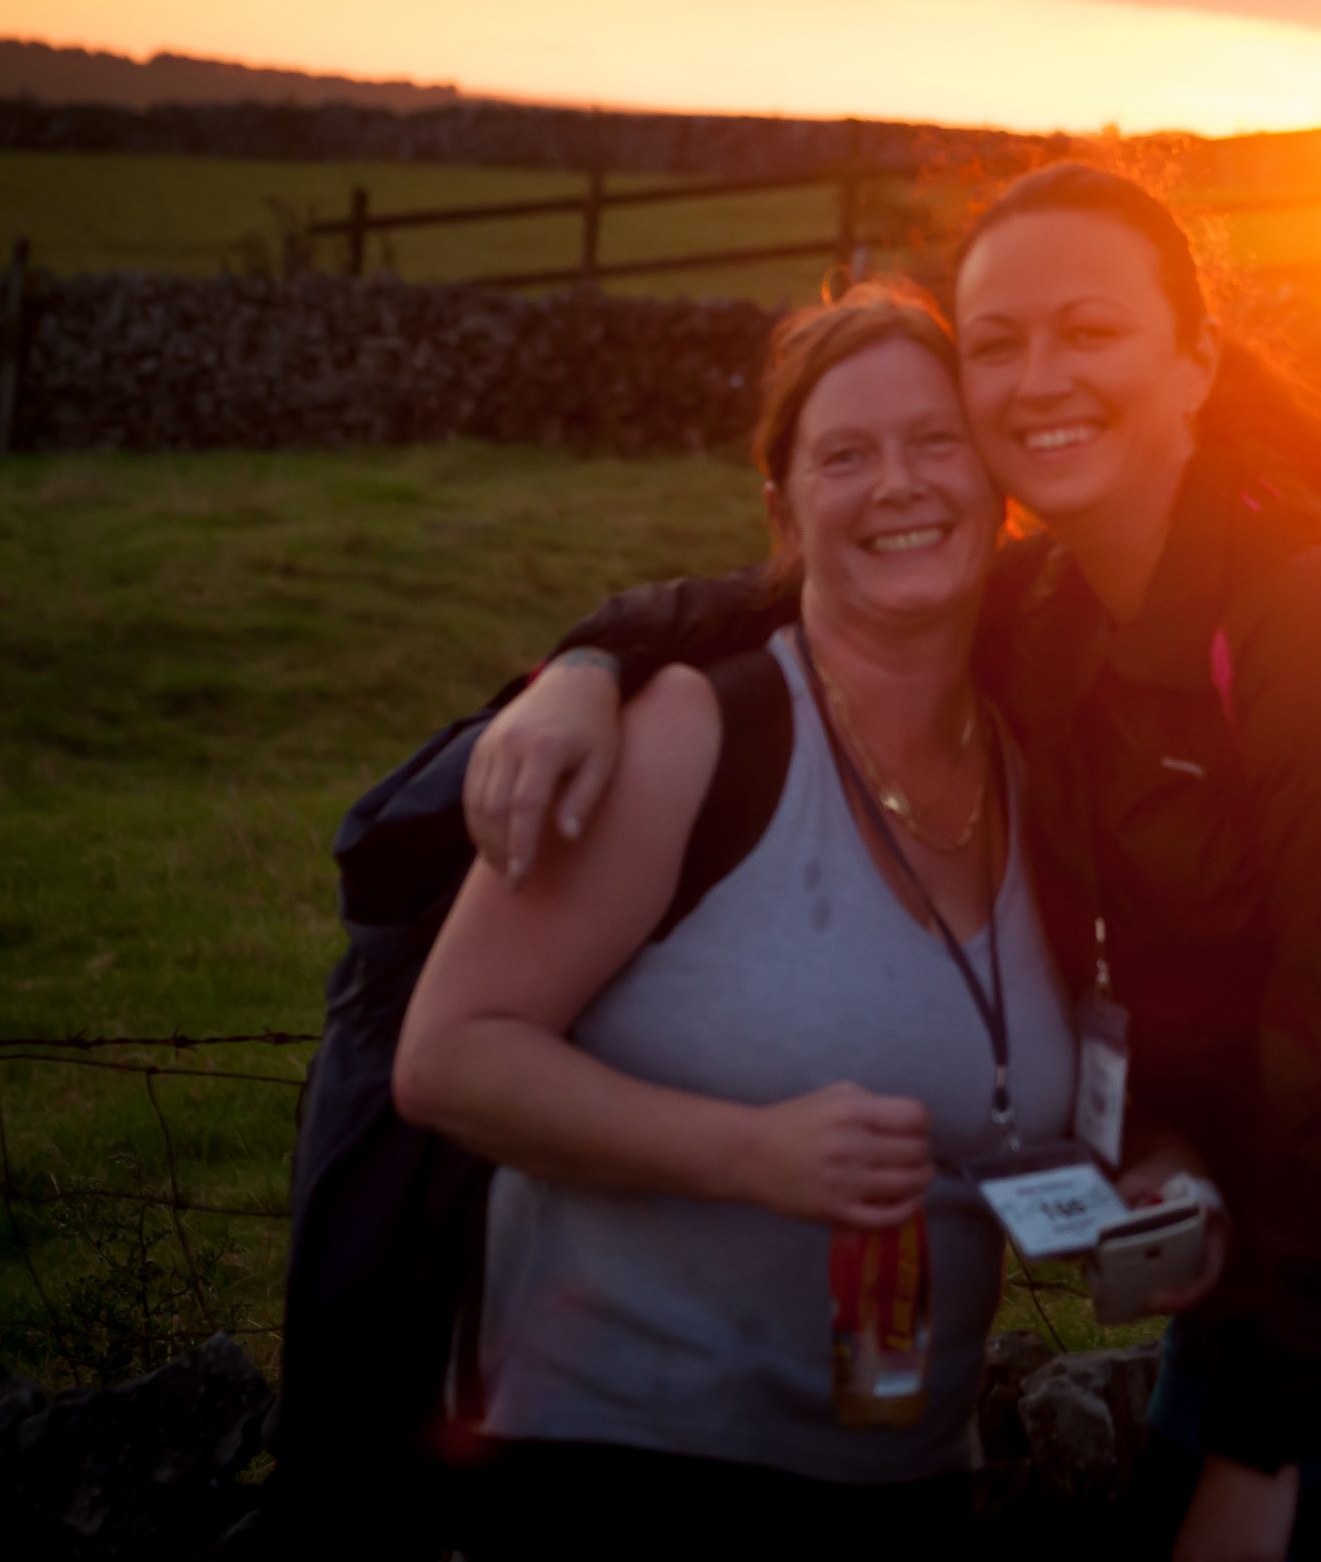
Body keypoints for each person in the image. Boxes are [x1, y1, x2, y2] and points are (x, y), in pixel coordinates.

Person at [469, 165, 1321, 1558]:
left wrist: (1253, 1449)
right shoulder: (1055, 614)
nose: (1037, 376)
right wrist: (594, 653)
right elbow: (832, 579)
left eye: (1090, 330)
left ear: (1196, 361)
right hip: (1266, 1314)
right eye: (996, 342)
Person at [390, 281, 1080, 1554]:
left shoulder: (1040, 770)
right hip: (621, 1480)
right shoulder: (690, 736)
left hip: (910, 1485)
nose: (900, 485)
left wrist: (1123, 1188)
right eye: (846, 456)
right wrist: (745, 1156)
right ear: (782, 508)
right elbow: (448, 1054)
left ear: (996, 480)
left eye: (936, 442)